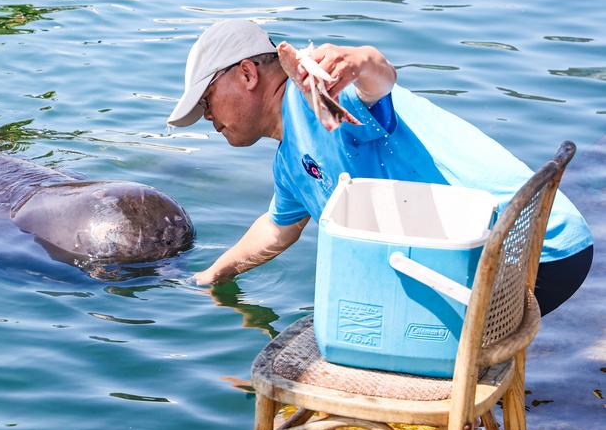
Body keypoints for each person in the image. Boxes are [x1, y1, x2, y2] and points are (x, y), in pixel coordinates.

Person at [167, 19, 593, 316]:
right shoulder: (289, 162)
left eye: (206, 100)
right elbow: (277, 228)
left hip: (531, 248)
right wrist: (210, 276)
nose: (206, 115)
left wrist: (361, 62)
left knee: (354, 341)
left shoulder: (319, 94)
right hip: (495, 259)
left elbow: (378, 82)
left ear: (246, 74)